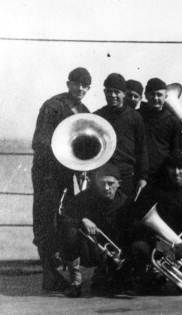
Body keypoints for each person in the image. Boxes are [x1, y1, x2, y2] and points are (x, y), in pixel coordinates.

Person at [32, 67, 91, 291]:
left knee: (68, 217)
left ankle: (64, 267)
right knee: (45, 219)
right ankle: (50, 274)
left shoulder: (85, 111)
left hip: (70, 171)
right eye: (76, 83)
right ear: (68, 84)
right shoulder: (52, 106)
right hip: (48, 171)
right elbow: (40, 141)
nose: (80, 88)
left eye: (85, 85)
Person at [130, 150, 182, 294]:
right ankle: (150, 278)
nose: (176, 172)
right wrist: (160, 244)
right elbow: (140, 217)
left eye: (180, 168)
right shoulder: (154, 190)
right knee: (139, 247)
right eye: (172, 167)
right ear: (167, 168)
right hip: (157, 242)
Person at [60, 163, 132, 297]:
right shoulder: (85, 197)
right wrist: (82, 219)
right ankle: (75, 280)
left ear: (119, 183)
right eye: (102, 183)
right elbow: (65, 217)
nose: (106, 188)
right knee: (69, 231)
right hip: (87, 248)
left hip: (113, 252)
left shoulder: (125, 203)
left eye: (110, 183)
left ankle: (106, 274)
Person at [95, 73, 149, 197]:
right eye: (109, 92)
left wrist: (143, 177)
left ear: (124, 93)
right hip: (102, 173)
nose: (112, 95)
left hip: (125, 173)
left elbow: (142, 149)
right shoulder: (97, 116)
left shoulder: (135, 117)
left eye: (116, 92)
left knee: (124, 210)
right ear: (104, 92)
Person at [138, 77, 182, 183]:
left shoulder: (173, 121)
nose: (155, 98)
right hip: (139, 172)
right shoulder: (137, 116)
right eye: (152, 94)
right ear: (146, 95)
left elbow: (176, 149)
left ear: (166, 97)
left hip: (163, 174)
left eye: (159, 95)